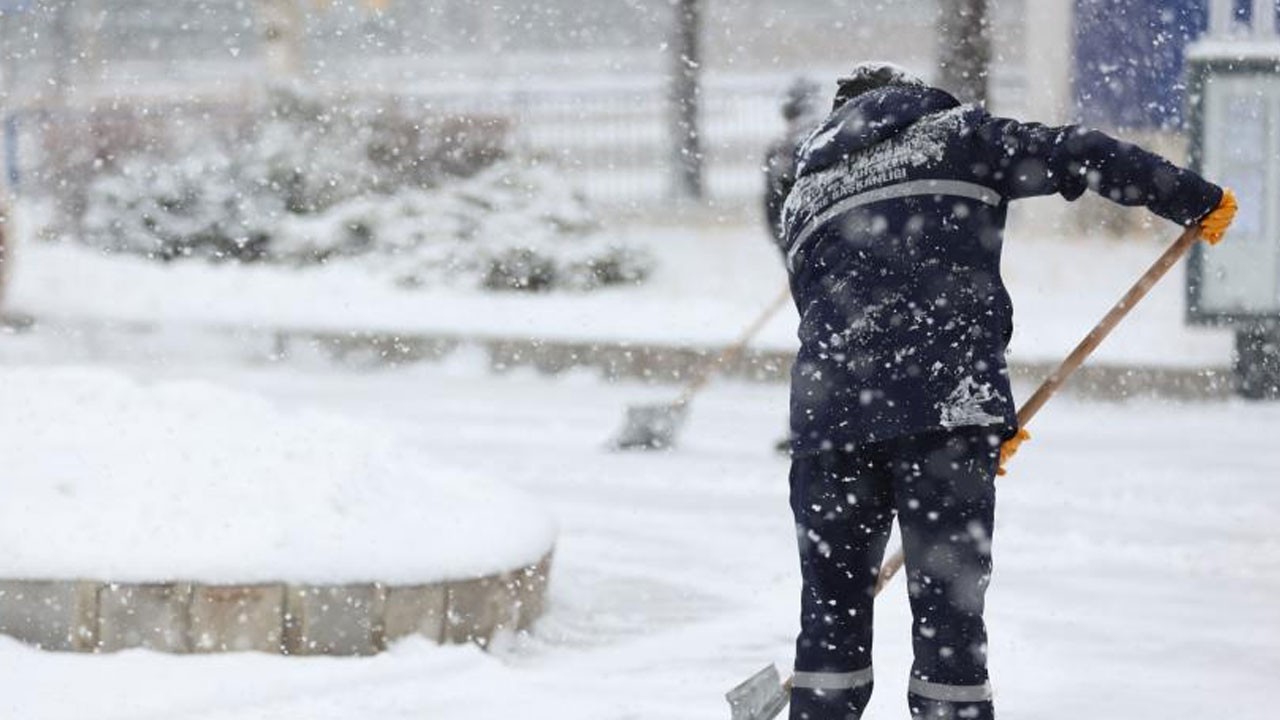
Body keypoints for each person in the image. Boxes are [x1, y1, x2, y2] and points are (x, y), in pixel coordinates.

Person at [777, 62, 1237, 720]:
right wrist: (1190, 196)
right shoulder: (953, 136)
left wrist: (973, 417)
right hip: (944, 411)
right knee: (949, 632)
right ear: (908, 98)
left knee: (830, 626)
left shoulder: (805, 195)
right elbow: (1076, 151)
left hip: (829, 429)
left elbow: (839, 320)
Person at [764, 77, 825, 252]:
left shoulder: (779, 148)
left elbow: (773, 204)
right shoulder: (832, 139)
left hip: (795, 232)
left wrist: (784, 242)